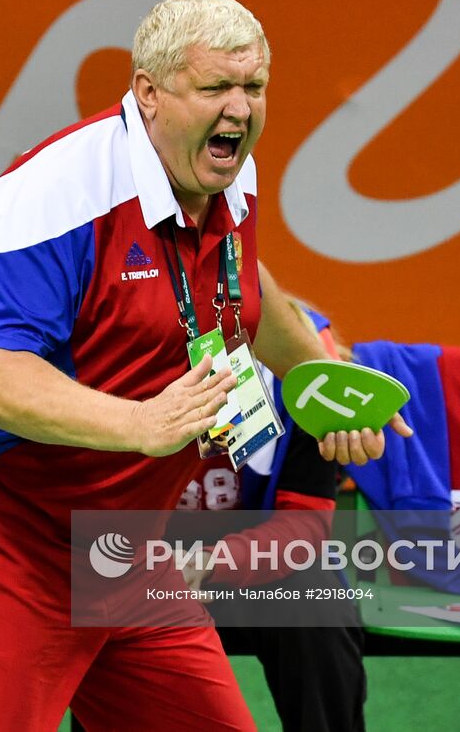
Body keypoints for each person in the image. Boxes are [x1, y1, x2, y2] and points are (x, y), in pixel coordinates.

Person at [0, 0, 410, 730]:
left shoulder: (229, 176)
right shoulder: (60, 192)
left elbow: (242, 281)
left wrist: (321, 376)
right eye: (214, 88)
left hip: (126, 545)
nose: (239, 110)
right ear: (149, 94)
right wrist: (142, 421)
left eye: (254, 87)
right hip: (7, 530)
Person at [179, 304, 366, 731]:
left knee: (316, 604)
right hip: (146, 558)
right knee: (107, 593)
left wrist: (210, 564)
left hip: (255, 566)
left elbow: (305, 524)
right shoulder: (118, 360)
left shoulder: (308, 374)